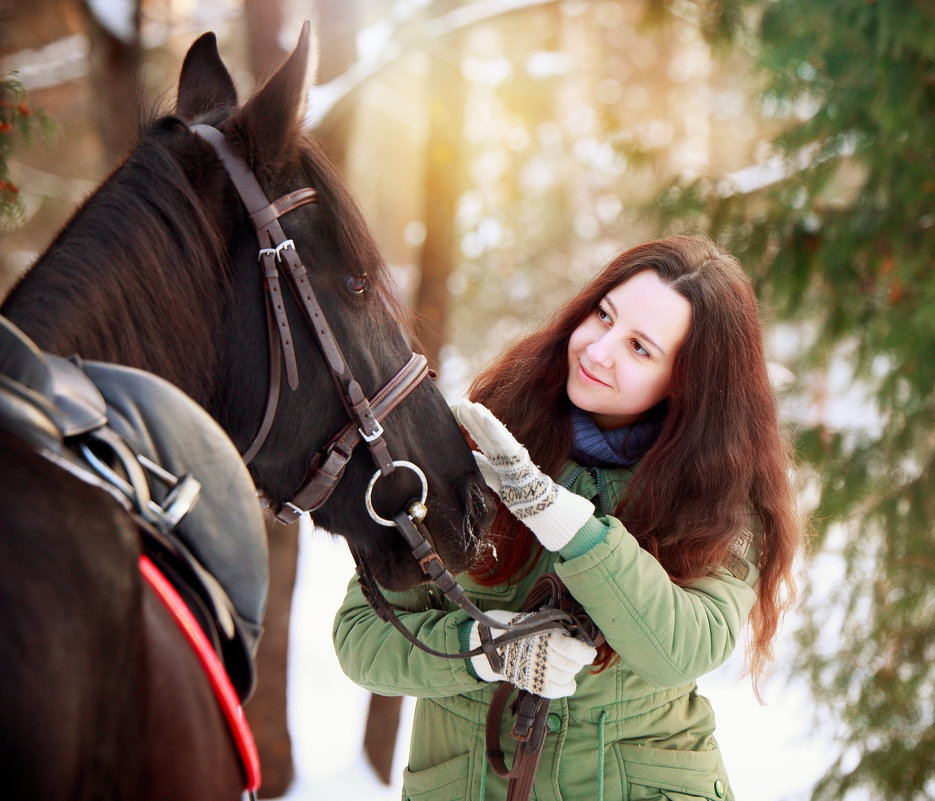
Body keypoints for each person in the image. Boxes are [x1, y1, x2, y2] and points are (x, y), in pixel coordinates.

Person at [333, 234, 802, 801]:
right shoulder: (477, 439)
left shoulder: (722, 495)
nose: (599, 350)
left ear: (689, 383)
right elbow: (362, 635)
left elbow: (686, 646)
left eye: (640, 348)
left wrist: (560, 518)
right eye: (603, 315)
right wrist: (484, 649)